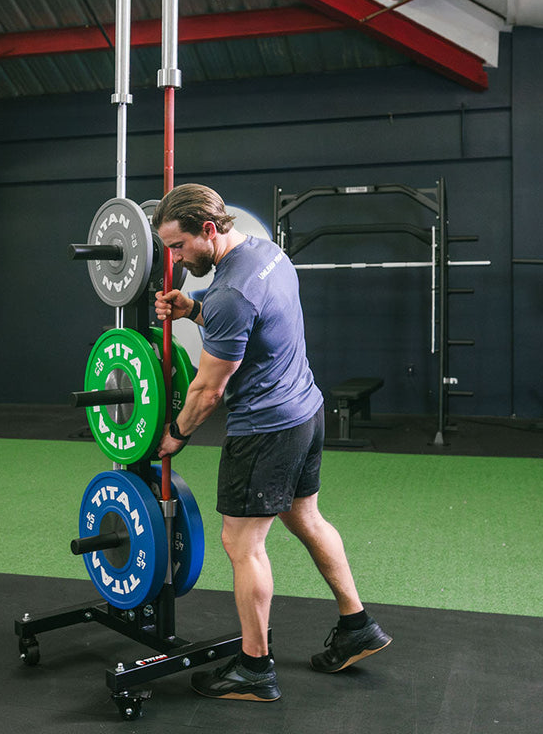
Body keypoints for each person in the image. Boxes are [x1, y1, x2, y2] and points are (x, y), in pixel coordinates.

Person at [152, 183, 391, 702]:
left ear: (208, 230)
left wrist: (176, 435)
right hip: (305, 408)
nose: (174, 258)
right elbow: (255, 322)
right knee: (306, 517)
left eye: (177, 246)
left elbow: (209, 391)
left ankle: (255, 669)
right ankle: (358, 625)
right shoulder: (267, 253)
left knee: (241, 543)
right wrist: (195, 309)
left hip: (265, 428)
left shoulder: (230, 297)